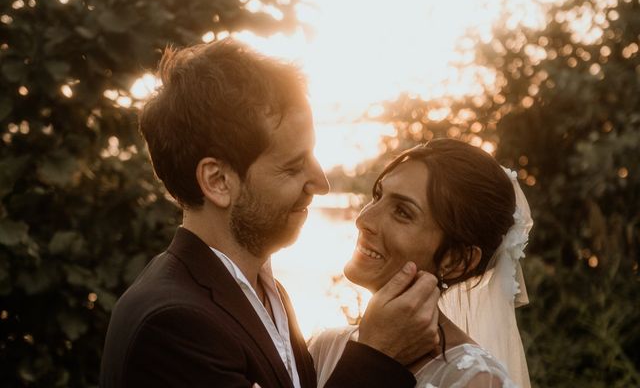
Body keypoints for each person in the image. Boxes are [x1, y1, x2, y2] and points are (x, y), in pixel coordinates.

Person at [100, 39, 441, 388]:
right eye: (294, 167)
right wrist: (377, 355)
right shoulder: (173, 326)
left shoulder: (266, 293)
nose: (320, 183)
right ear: (218, 181)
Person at [309, 139, 533, 388]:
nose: (363, 219)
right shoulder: (325, 347)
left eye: (402, 212)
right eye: (378, 196)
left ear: (457, 260)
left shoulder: (477, 382)